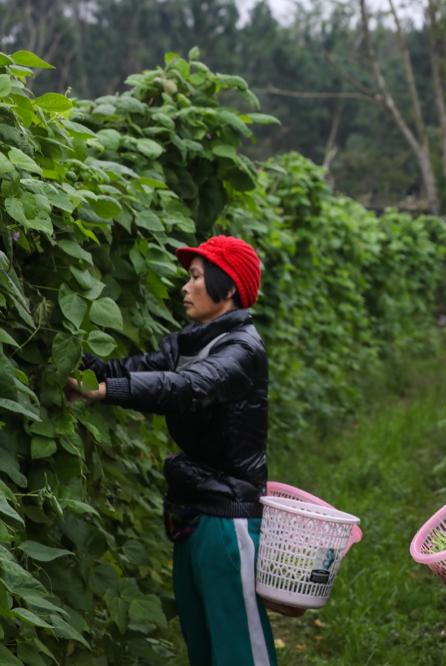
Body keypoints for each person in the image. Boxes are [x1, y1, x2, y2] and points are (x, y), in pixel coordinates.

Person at [65, 235, 278, 666]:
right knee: (203, 644)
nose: (185, 287)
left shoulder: (242, 349)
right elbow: (132, 369)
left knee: (239, 649)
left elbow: (188, 386)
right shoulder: (191, 341)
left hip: (228, 520)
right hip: (194, 512)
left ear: (229, 286)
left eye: (197, 277)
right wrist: (73, 357)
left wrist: (108, 392)